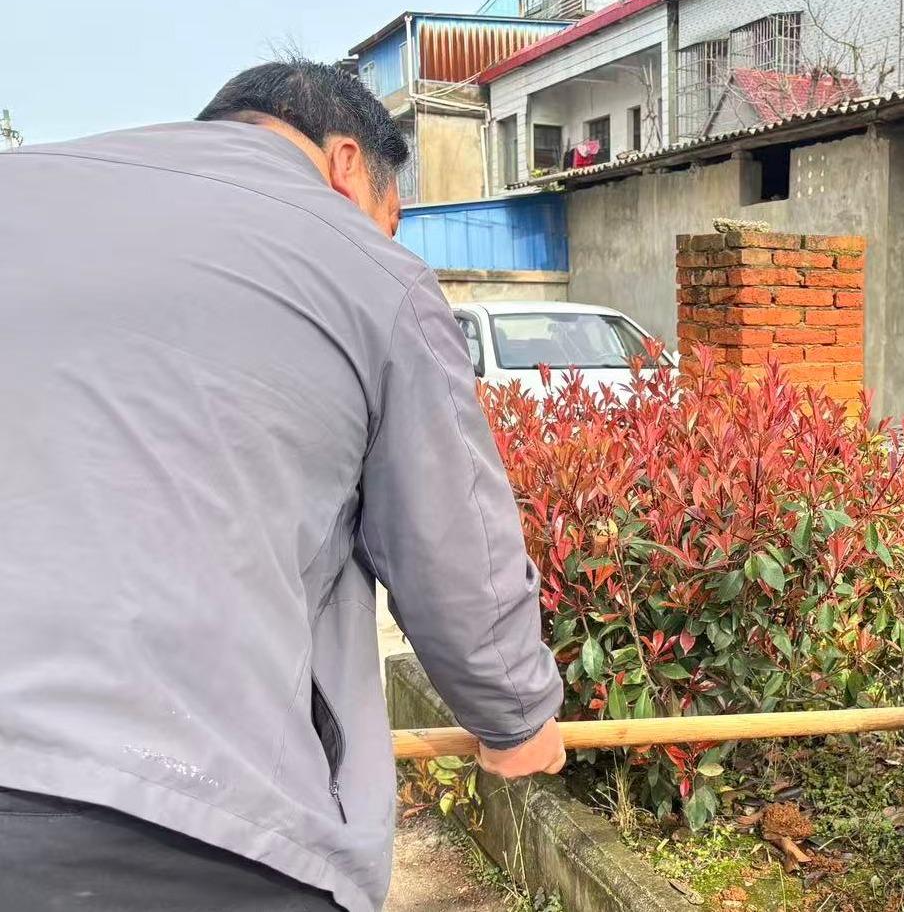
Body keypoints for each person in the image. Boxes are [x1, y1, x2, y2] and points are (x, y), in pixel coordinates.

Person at [0, 60, 567, 911]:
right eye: (392, 216)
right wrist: (517, 718)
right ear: (345, 163)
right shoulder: (365, 269)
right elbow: (454, 554)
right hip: (180, 823)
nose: (390, 238)